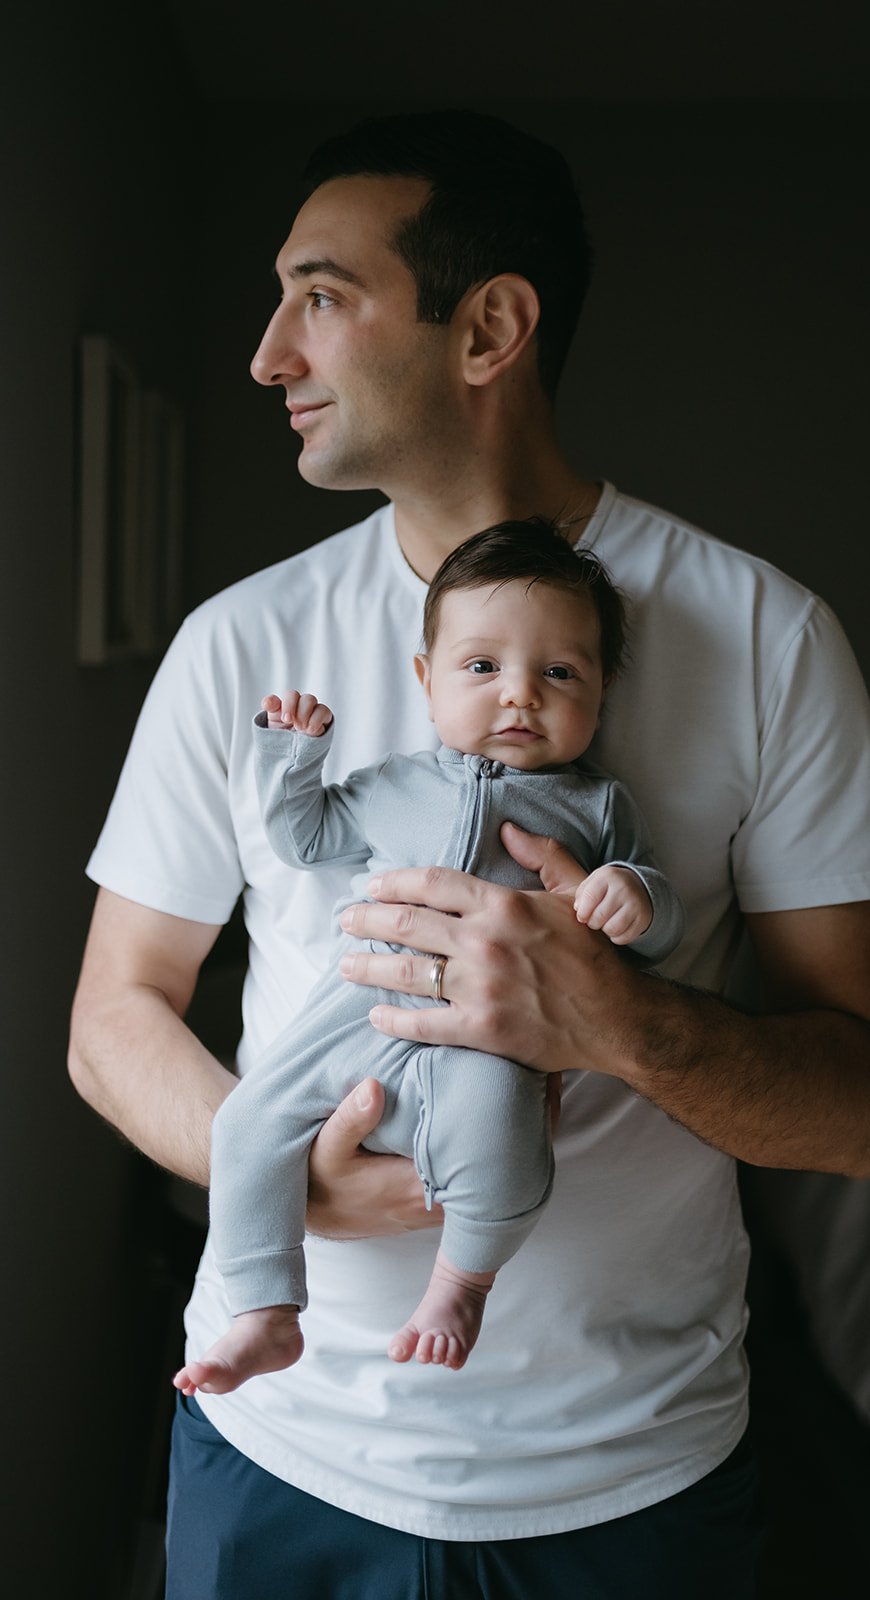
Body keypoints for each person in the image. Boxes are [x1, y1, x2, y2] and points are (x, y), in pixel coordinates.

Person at [69, 109, 870, 1599]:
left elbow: (864, 1116)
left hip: (629, 1487)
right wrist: (294, 1179)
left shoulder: (766, 640)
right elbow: (113, 1014)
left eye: (322, 297)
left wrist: (621, 1018)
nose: (269, 354)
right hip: (279, 1459)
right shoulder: (244, 651)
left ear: (489, 328)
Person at [174, 520, 684, 1394]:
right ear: (426, 680)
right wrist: (296, 759)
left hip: (484, 1046)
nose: (520, 696)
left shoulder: (598, 806)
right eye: (483, 668)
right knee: (246, 1122)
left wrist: (634, 896)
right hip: (357, 1017)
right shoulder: (393, 784)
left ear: (603, 691)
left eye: (559, 673)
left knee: (506, 1140)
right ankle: (263, 1309)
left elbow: (659, 926)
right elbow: (304, 839)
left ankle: (461, 1284)